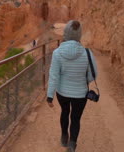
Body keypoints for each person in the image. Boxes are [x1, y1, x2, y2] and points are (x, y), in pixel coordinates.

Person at [46, 20, 97, 152]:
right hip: (80, 94)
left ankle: (64, 136)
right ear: (79, 35)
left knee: (65, 112)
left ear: (66, 34)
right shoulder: (87, 53)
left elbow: (54, 76)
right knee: (75, 118)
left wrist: (50, 96)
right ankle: (72, 144)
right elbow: (93, 74)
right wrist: (84, 80)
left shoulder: (57, 53)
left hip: (62, 92)